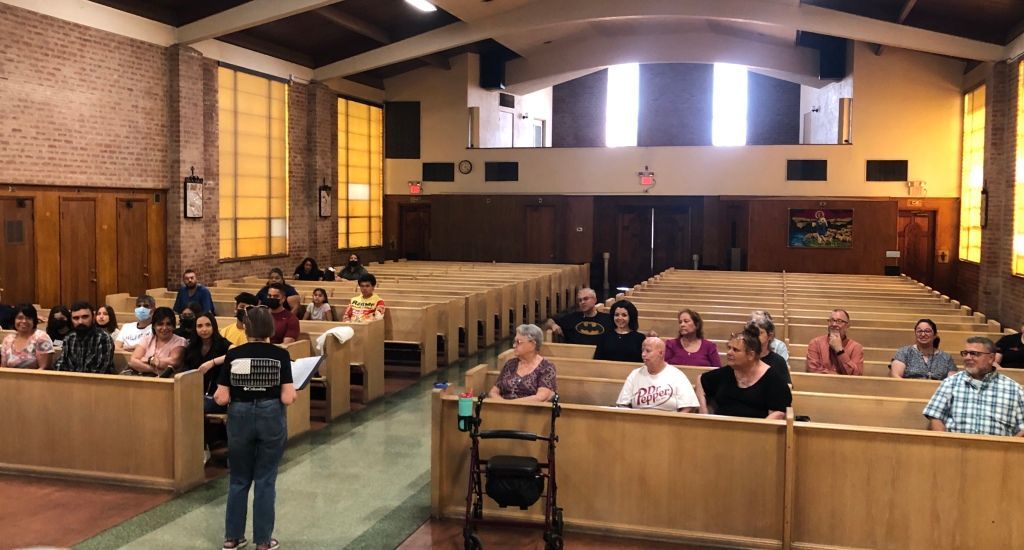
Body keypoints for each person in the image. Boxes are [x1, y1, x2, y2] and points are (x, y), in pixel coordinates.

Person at [213, 306, 296, 550]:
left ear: (246, 328)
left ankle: (232, 538)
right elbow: (287, 398)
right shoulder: (280, 355)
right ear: (269, 327)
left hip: (240, 414)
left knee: (238, 478)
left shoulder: (234, 355)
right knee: (265, 479)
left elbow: (221, 398)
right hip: (270, 414)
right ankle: (263, 541)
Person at [923, 336, 1024, 436]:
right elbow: (935, 417)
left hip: (999, 450)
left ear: (991, 358)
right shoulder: (950, 383)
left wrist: (1006, 450)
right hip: (956, 449)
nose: (967, 357)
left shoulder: (1014, 389)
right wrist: (946, 445)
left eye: (974, 354)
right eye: (965, 353)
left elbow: (1022, 428)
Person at [696, 324, 792, 419]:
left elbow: (778, 412)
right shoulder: (726, 372)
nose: (729, 353)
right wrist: (704, 415)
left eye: (735, 350)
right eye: (729, 348)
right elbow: (700, 380)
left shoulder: (773, 380)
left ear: (751, 355)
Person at [616, 337, 698, 411]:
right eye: (642, 351)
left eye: (648, 351)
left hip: (669, 424)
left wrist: (674, 424)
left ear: (661, 353)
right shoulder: (634, 374)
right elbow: (622, 404)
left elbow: (689, 406)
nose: (643, 354)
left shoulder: (677, 375)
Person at [488, 324, 557, 402]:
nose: (514, 345)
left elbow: (541, 397)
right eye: (514, 342)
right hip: (503, 410)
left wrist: (511, 405)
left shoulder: (546, 368)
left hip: (530, 412)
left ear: (532, 345)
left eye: (518, 342)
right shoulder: (510, 364)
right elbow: (493, 391)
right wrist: (503, 404)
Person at [183, 312, 232, 413]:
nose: (204, 329)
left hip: (216, 395)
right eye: (199, 326)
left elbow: (236, 353)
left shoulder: (222, 343)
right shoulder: (191, 347)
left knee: (196, 408)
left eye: (208, 325)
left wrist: (212, 362)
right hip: (195, 393)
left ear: (214, 326)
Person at [54, 302, 114, 374]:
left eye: (85, 317)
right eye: (76, 318)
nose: (80, 322)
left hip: (97, 383)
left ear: (93, 317)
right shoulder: (69, 338)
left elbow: (101, 371)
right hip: (71, 381)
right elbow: (62, 363)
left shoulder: (103, 338)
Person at [126, 307, 187, 376]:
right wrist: (153, 370)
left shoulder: (180, 341)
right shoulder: (147, 339)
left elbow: (173, 362)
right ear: (154, 326)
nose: (164, 328)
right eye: (160, 324)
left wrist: (148, 360)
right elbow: (132, 361)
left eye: (168, 324)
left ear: (173, 326)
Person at [890, 319, 957, 380]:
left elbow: (952, 381)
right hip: (908, 391)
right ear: (915, 334)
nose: (923, 334)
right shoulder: (904, 352)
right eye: (919, 331)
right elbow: (896, 376)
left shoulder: (946, 357)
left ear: (935, 335)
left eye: (927, 331)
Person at [543, 288, 613, 345]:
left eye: (586, 299)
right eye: (580, 300)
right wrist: (553, 325)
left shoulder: (607, 319)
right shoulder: (571, 318)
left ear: (595, 300)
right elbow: (548, 322)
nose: (582, 302)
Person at [805, 309, 864, 375]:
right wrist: (836, 375)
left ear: (847, 325)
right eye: (831, 320)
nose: (834, 324)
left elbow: (857, 375)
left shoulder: (856, 347)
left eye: (839, 321)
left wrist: (840, 351)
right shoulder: (815, 343)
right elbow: (813, 370)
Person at [1, 304, 55, 370]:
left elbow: (44, 368)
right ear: (14, 320)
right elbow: (3, 368)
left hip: (36, 379)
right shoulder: (8, 339)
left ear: (34, 320)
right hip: (10, 379)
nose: (24, 321)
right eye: (20, 318)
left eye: (28, 318)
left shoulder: (41, 338)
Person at [749, 318, 791, 385]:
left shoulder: (779, 361)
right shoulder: (742, 357)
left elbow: (786, 388)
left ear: (770, 336)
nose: (754, 336)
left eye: (759, 333)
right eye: (752, 333)